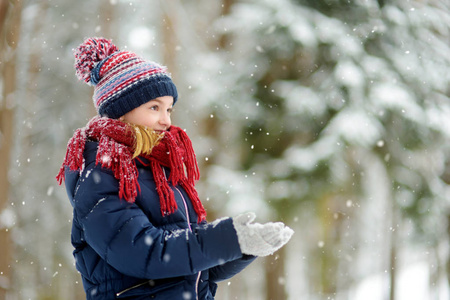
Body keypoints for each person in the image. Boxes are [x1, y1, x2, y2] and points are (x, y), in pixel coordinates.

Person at [57, 37, 293, 300]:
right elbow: (143, 253)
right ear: (121, 110)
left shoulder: (159, 169)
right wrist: (226, 241)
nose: (165, 120)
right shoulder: (101, 172)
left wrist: (244, 246)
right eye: (154, 107)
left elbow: (197, 265)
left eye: (169, 109)